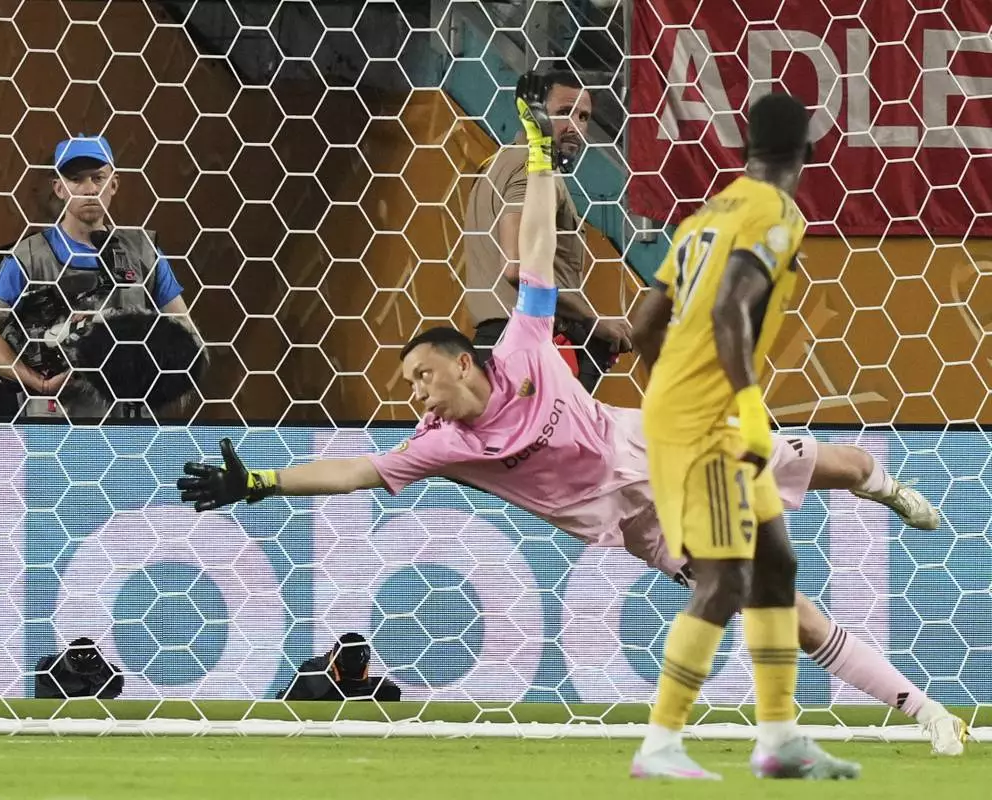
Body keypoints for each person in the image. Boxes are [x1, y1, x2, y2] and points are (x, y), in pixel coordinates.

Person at [177, 74, 966, 759]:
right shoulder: (443, 445)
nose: (414, 393)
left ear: (463, 361)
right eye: (407, 385)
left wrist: (545, 161)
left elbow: (533, 244)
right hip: (651, 523)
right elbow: (357, 470)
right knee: (782, 610)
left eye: (421, 375)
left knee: (844, 469)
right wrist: (265, 481)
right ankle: (925, 711)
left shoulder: (523, 343)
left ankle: (879, 484)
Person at [628, 92, 856, 780]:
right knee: (725, 579)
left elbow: (642, 324)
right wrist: (740, 402)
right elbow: (730, 305)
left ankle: (781, 737)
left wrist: (675, 389)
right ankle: (660, 744)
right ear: (810, 152)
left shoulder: (707, 212)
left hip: (693, 406)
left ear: (743, 151)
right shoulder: (779, 213)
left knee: (777, 562)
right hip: (713, 418)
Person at [0, 134, 203, 421]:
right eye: (76, 179)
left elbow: (188, 336)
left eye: (98, 178)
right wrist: (37, 382)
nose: (89, 189)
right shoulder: (28, 258)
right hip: (52, 424)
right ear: (59, 188)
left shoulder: (144, 253)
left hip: (128, 427)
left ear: (114, 184)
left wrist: (153, 377)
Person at [463, 68, 631, 392]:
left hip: (504, 343)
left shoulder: (495, 163)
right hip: (526, 348)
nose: (576, 128)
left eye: (584, 117)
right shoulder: (533, 171)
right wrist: (593, 320)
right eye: (564, 113)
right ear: (534, 113)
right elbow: (519, 269)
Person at [279, 633, 402, 702]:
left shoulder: (315, 693)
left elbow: (282, 702)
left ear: (333, 665)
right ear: (366, 668)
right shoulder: (388, 692)